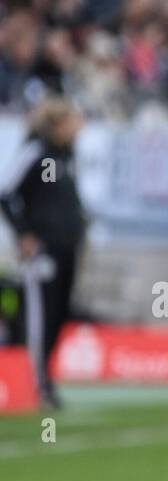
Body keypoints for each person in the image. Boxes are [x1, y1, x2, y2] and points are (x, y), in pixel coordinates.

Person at [0, 96, 86, 409]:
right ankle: (37, 382)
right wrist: (24, 234)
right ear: (56, 124)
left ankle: (46, 377)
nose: (76, 129)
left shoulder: (66, 157)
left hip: (68, 247)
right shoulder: (36, 153)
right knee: (41, 316)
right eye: (71, 123)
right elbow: (6, 193)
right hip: (44, 251)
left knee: (61, 313)